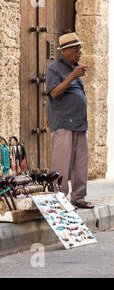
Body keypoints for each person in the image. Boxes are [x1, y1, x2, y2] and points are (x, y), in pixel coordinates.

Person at [45, 32, 93, 209]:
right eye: (76, 48)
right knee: (62, 163)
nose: (79, 52)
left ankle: (79, 197)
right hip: (64, 121)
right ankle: (60, 199)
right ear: (65, 50)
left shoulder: (75, 67)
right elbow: (54, 93)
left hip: (79, 122)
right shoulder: (54, 68)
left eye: (80, 48)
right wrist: (73, 76)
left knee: (81, 161)